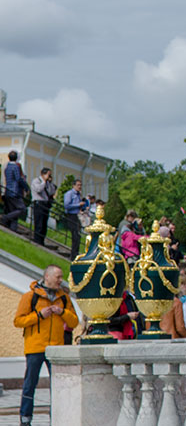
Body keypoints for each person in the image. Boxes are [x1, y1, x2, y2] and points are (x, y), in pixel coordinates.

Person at [14, 265, 78, 426]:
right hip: (35, 347)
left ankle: (56, 417)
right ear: (47, 277)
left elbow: (74, 321)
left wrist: (62, 312)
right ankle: (25, 418)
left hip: (56, 348)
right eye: (58, 277)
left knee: (57, 386)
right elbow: (18, 321)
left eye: (61, 277)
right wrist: (39, 315)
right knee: (30, 384)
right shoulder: (30, 296)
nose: (60, 280)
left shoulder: (64, 298)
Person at [2, 150, 30, 230]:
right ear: (16, 158)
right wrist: (26, 188)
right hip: (15, 192)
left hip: (8, 191)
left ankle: (12, 229)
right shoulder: (16, 167)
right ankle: (5, 218)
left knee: (13, 212)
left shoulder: (7, 167)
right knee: (22, 209)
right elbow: (18, 179)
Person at [29, 169, 55, 246]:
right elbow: (38, 190)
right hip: (38, 203)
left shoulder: (47, 183)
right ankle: (37, 240)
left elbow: (51, 192)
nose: (49, 177)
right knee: (39, 223)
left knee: (44, 224)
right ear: (43, 174)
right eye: (48, 175)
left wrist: (50, 182)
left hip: (45, 203)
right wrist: (44, 181)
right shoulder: (36, 181)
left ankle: (42, 240)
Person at [63, 178, 84, 258]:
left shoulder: (78, 194)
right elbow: (67, 205)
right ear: (73, 185)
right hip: (71, 215)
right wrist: (78, 204)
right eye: (78, 185)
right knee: (75, 235)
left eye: (80, 185)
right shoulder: (70, 194)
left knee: (77, 236)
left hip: (76, 215)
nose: (79, 187)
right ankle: (73, 255)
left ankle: (75, 253)